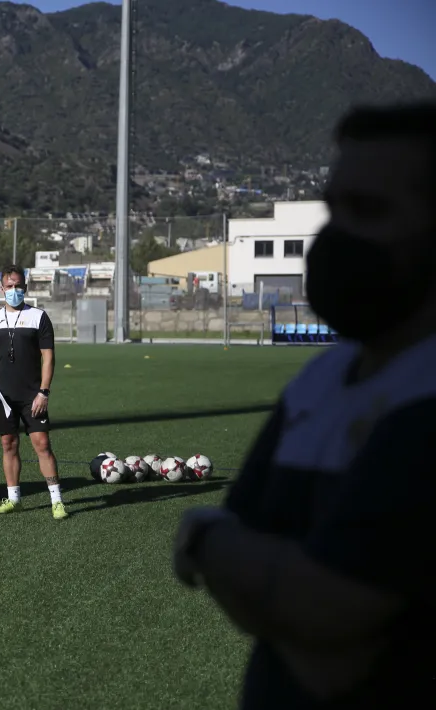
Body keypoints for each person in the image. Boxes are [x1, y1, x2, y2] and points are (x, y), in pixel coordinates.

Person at [172, 101, 436, 709]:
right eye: (334, 208)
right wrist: (277, 589)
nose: (337, 236)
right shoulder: (324, 377)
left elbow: (328, 608)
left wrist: (204, 538)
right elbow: (281, 592)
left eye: (368, 210)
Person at [0, 266, 66, 519]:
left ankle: (56, 501)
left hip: (32, 395)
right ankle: (13, 498)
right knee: (8, 444)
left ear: (25, 288)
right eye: (9, 286)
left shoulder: (39, 317)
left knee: (42, 444)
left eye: (18, 286)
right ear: (1, 288)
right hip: (2, 396)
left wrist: (44, 392)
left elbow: (49, 357)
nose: (14, 290)